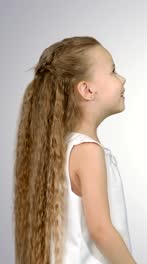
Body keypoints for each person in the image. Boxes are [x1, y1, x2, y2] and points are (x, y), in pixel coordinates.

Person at [14, 36, 136, 264]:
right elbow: (101, 229)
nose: (122, 78)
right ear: (87, 90)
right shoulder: (88, 151)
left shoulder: (61, 148)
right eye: (113, 71)